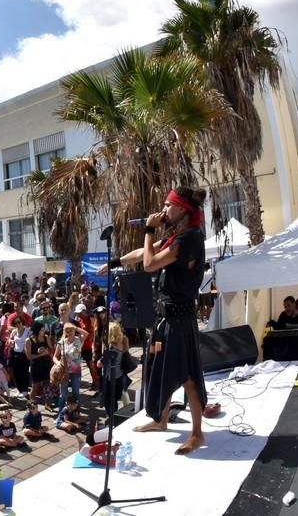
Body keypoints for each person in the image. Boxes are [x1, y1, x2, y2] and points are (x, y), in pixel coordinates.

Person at [98, 185, 209, 455]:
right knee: (162, 369)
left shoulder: (189, 238)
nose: (164, 209)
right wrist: (114, 263)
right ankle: (161, 421)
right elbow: (143, 253)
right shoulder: (177, 237)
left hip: (179, 319)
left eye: (169, 205)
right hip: (166, 317)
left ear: (182, 208)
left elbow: (149, 264)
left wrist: (149, 229)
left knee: (187, 375)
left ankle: (197, 433)